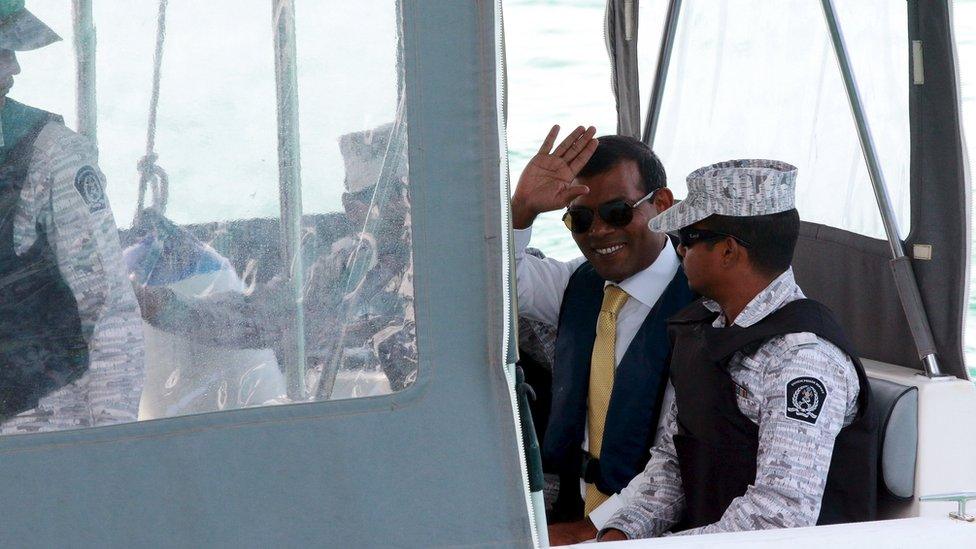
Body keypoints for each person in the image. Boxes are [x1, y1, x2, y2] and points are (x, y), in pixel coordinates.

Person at [599, 160, 874, 541]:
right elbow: (672, 463)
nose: (679, 250)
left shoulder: (803, 360)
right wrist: (620, 533)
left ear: (728, 251)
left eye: (689, 238)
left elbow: (779, 518)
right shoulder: (702, 329)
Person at [511, 125, 695, 544]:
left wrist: (593, 531)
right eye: (580, 218)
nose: (598, 231)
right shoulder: (576, 285)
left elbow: (681, 462)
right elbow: (496, 283)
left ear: (662, 204)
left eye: (617, 212)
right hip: (571, 508)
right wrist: (521, 210)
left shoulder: (702, 306)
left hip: (651, 527)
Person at [135, 121, 417, 394]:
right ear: (352, 208)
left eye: (406, 190)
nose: (400, 204)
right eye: (385, 194)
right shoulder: (342, 272)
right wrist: (167, 307)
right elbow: (262, 318)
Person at [0, 1, 145, 434]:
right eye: (0, 47)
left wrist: (111, 447)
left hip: (39, 435)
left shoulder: (52, 155)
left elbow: (110, 311)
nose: (13, 66)